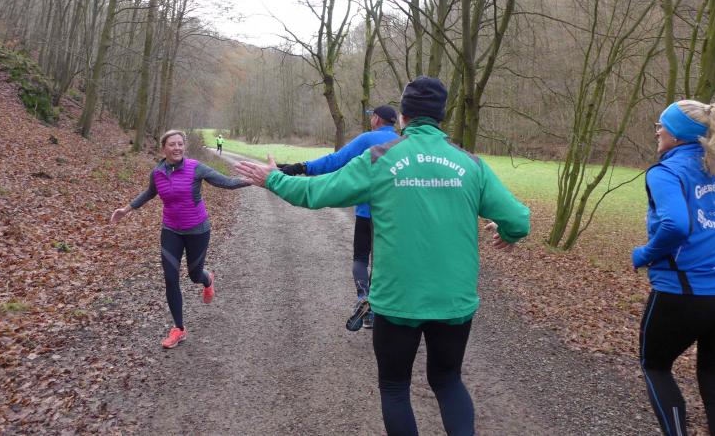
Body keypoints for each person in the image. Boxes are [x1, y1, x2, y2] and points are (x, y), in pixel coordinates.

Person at [235, 76, 530, 435]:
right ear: (442, 116)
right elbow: (517, 220)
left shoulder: (380, 158)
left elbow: (318, 192)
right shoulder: (470, 163)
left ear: (403, 115)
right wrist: (509, 235)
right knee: (448, 381)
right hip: (454, 301)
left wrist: (273, 179)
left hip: (397, 301)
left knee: (395, 387)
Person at [632, 100, 715, 436]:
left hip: (681, 291)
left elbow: (675, 225)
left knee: (655, 366)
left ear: (677, 134)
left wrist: (644, 254)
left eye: (662, 124)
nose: (657, 130)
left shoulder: (666, 172)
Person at [111, 130, 249, 348]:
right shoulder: (157, 173)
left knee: (195, 275)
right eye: (172, 144)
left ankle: (207, 279)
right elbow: (149, 193)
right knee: (170, 277)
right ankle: (179, 329)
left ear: (184, 146)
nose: (177, 148)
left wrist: (259, 180)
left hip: (197, 230)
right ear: (163, 148)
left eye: (180, 144)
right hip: (171, 230)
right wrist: (125, 209)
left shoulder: (196, 168)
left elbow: (227, 182)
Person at [277, 105, 399, 330]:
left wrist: (300, 167)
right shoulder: (403, 143)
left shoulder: (367, 139)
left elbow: (336, 160)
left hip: (366, 212)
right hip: (394, 215)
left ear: (376, 119)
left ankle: (364, 300)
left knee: (361, 258)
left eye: (372, 117)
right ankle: (382, 308)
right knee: (382, 261)